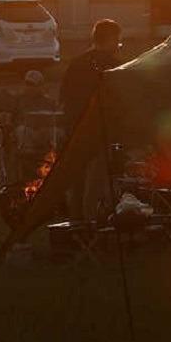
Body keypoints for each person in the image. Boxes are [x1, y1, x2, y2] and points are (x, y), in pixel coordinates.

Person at [59, 19, 122, 220]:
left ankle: (75, 225)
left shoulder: (76, 63)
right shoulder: (113, 67)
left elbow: (64, 98)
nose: (118, 46)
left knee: (76, 181)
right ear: (110, 39)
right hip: (97, 133)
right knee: (94, 184)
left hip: (74, 131)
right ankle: (90, 227)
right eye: (117, 41)